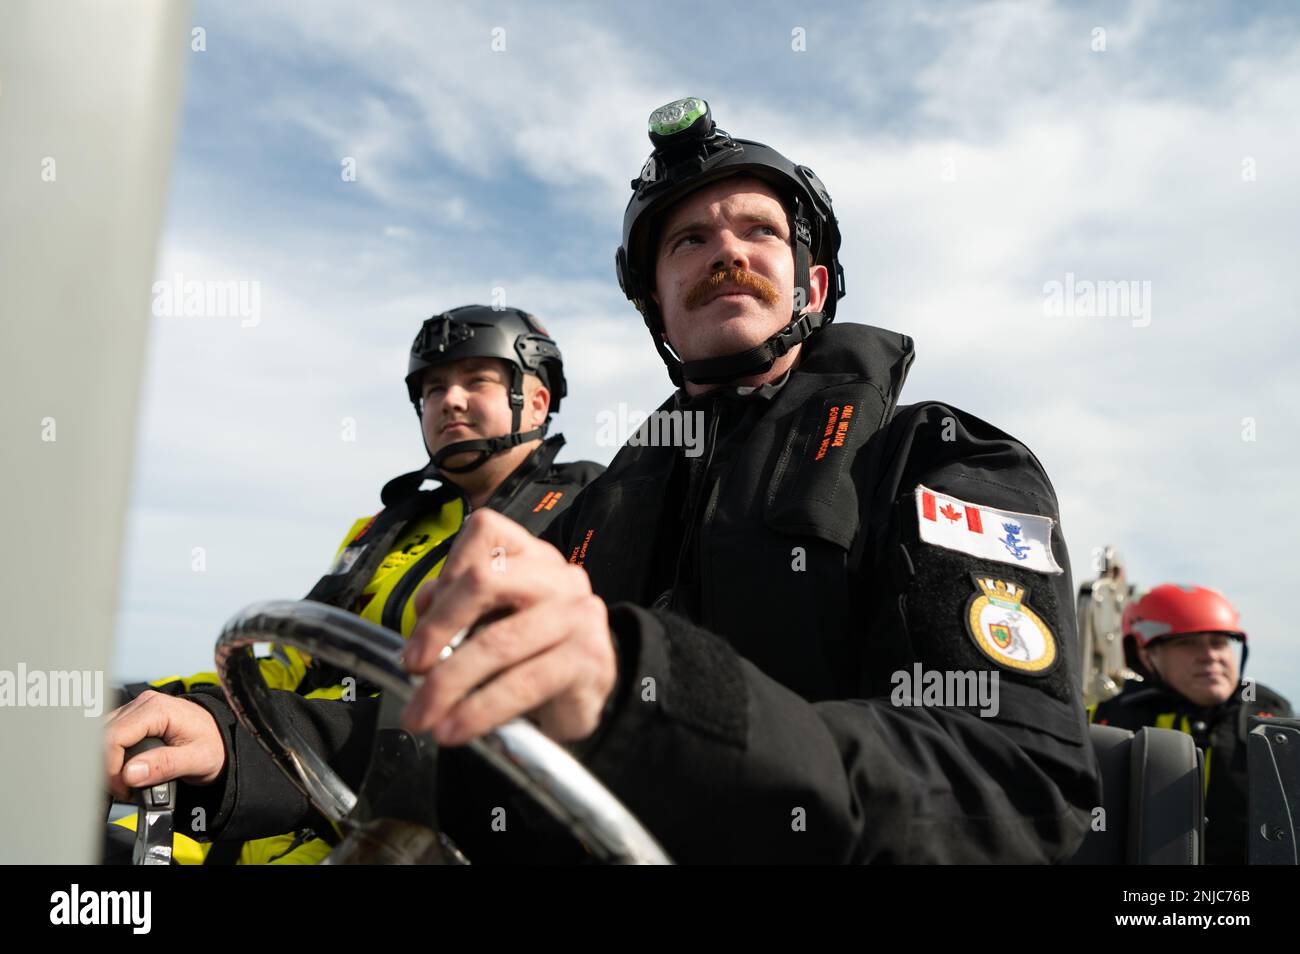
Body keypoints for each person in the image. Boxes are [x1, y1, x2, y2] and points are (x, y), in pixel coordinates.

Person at [109, 99, 1101, 864]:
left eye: (756, 231)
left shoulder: (943, 462)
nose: (724, 254)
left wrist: (643, 696)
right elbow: (453, 731)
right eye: (688, 242)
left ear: (812, 284)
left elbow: (1012, 788)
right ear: (658, 311)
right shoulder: (594, 514)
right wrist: (235, 754)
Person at [104, 305, 603, 864]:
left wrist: (254, 756)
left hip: (410, 836)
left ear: (535, 400)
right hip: (271, 810)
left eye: (476, 380)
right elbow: (289, 667)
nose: (451, 400)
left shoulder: (590, 515)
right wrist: (156, 700)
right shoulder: (383, 530)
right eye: (434, 388)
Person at [1091, 583, 1292, 865]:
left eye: (1220, 642)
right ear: (1146, 654)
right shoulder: (1106, 715)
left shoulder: (1273, 717)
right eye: (1187, 642)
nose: (1210, 655)